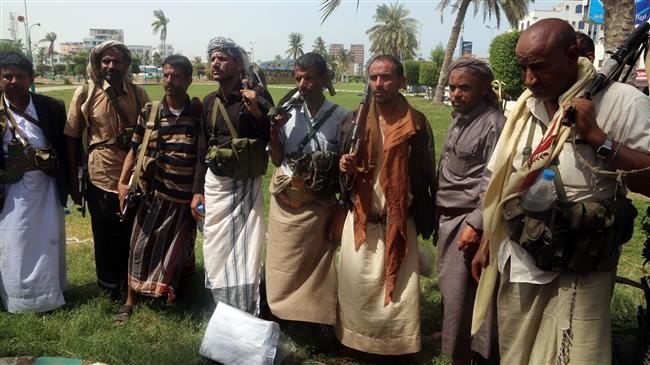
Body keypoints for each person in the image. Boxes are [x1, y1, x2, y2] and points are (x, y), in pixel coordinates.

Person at [471, 18, 650, 364]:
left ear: (571, 55)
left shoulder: (621, 102)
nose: (529, 80)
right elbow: (501, 182)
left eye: (538, 68)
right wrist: (485, 240)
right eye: (524, 68)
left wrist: (599, 140)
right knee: (517, 354)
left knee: (574, 354)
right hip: (520, 259)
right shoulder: (525, 107)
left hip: (580, 268)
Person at [337, 55, 437, 355]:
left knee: (399, 293)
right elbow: (343, 176)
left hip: (398, 220)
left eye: (386, 77)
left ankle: (397, 346)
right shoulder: (354, 120)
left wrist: (424, 216)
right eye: (373, 77)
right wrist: (346, 167)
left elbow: (426, 175)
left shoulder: (416, 123)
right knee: (357, 286)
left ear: (402, 81)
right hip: (362, 219)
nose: (378, 84)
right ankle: (354, 342)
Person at [114, 55, 201, 320]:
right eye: (165, 75)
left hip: (184, 199)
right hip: (153, 196)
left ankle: (176, 294)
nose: (168, 81)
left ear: (188, 80)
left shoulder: (197, 114)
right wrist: (122, 182)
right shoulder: (150, 112)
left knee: (180, 250)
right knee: (138, 247)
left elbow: (201, 154)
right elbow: (134, 149)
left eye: (175, 76)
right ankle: (130, 300)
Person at [265, 52, 350, 327]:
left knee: (317, 263)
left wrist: (341, 208)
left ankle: (315, 318)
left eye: (310, 78)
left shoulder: (341, 117)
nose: (303, 83)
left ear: (325, 79)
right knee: (283, 260)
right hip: (286, 199)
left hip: (320, 202)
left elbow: (349, 170)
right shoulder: (286, 113)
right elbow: (277, 159)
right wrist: (272, 131)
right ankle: (279, 311)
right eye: (299, 78)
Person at [192, 37, 274, 314]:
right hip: (215, 184)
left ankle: (245, 306)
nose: (216, 63)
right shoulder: (209, 101)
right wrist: (197, 191)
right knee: (215, 247)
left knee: (245, 249)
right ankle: (219, 302)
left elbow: (271, 137)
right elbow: (202, 147)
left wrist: (254, 107)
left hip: (245, 187)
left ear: (239, 64)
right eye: (213, 58)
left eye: (223, 58)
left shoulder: (257, 98)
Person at [65, 41, 149, 301]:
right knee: (104, 235)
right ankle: (108, 289)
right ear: (98, 64)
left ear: (126, 65)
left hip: (133, 179)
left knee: (133, 235)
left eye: (117, 61)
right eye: (106, 61)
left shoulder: (138, 94)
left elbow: (149, 133)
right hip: (99, 175)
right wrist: (73, 179)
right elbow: (71, 135)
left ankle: (132, 287)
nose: (111, 66)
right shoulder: (86, 93)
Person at [436, 58, 505, 364]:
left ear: (484, 89)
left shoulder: (494, 124)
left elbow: (493, 181)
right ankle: (458, 345)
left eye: (464, 87)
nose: (455, 93)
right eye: (452, 87)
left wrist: (476, 223)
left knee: (468, 295)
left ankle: (469, 355)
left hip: (468, 219)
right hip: (447, 216)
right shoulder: (458, 118)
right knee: (455, 294)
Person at [0, 52, 69, 313]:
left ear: (30, 79)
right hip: (10, 189)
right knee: (14, 241)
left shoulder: (50, 107)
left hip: (45, 186)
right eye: (7, 76)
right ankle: (18, 300)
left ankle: (48, 295)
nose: (13, 81)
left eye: (20, 76)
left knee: (47, 239)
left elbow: (64, 146)